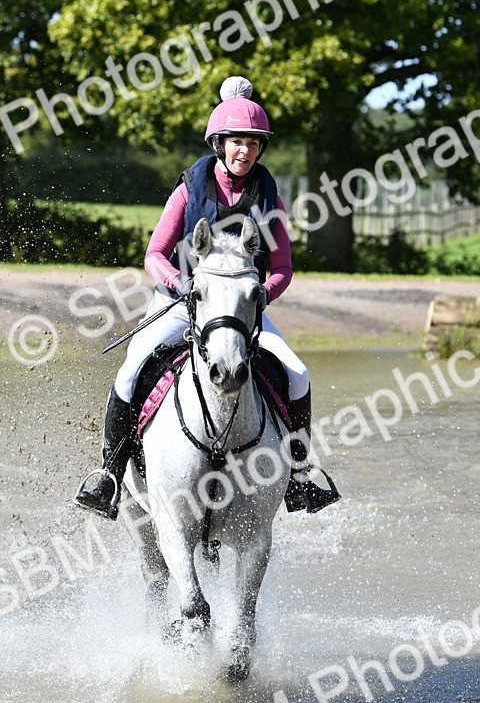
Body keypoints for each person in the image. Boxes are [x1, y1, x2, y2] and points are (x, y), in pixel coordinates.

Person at [74, 76, 320, 519]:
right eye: (236, 142)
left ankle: (300, 479)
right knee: (131, 372)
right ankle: (109, 476)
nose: (244, 151)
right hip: (181, 301)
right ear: (219, 142)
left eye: (252, 143)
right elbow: (154, 254)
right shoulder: (190, 188)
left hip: (242, 311)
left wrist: (262, 293)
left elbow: (283, 268)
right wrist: (180, 285)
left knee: (298, 374)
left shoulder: (269, 196)